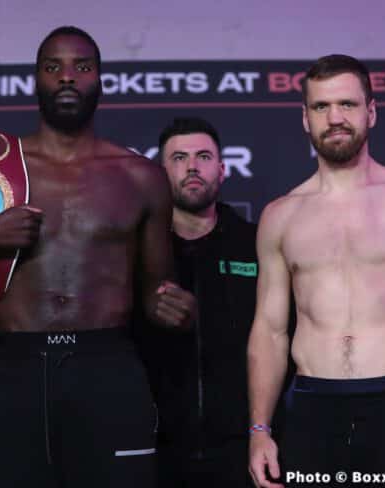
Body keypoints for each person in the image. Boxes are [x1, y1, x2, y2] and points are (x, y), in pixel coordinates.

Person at [0, 26, 195, 488]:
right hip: (14, 369)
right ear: (36, 80)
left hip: (106, 367)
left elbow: (157, 294)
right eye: (53, 67)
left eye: (81, 67)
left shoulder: (141, 177)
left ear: (100, 80)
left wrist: (177, 310)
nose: (67, 77)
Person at [246, 54, 385, 488]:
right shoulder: (280, 216)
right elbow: (270, 330)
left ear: (371, 112)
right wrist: (259, 430)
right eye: (321, 107)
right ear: (305, 118)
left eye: (347, 105)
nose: (335, 118)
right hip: (311, 407)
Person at [144, 117, 257, 488]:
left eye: (203, 156)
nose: (192, 166)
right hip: (156, 450)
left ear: (223, 170)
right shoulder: (136, 254)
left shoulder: (256, 244)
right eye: (179, 158)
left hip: (243, 447)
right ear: (160, 173)